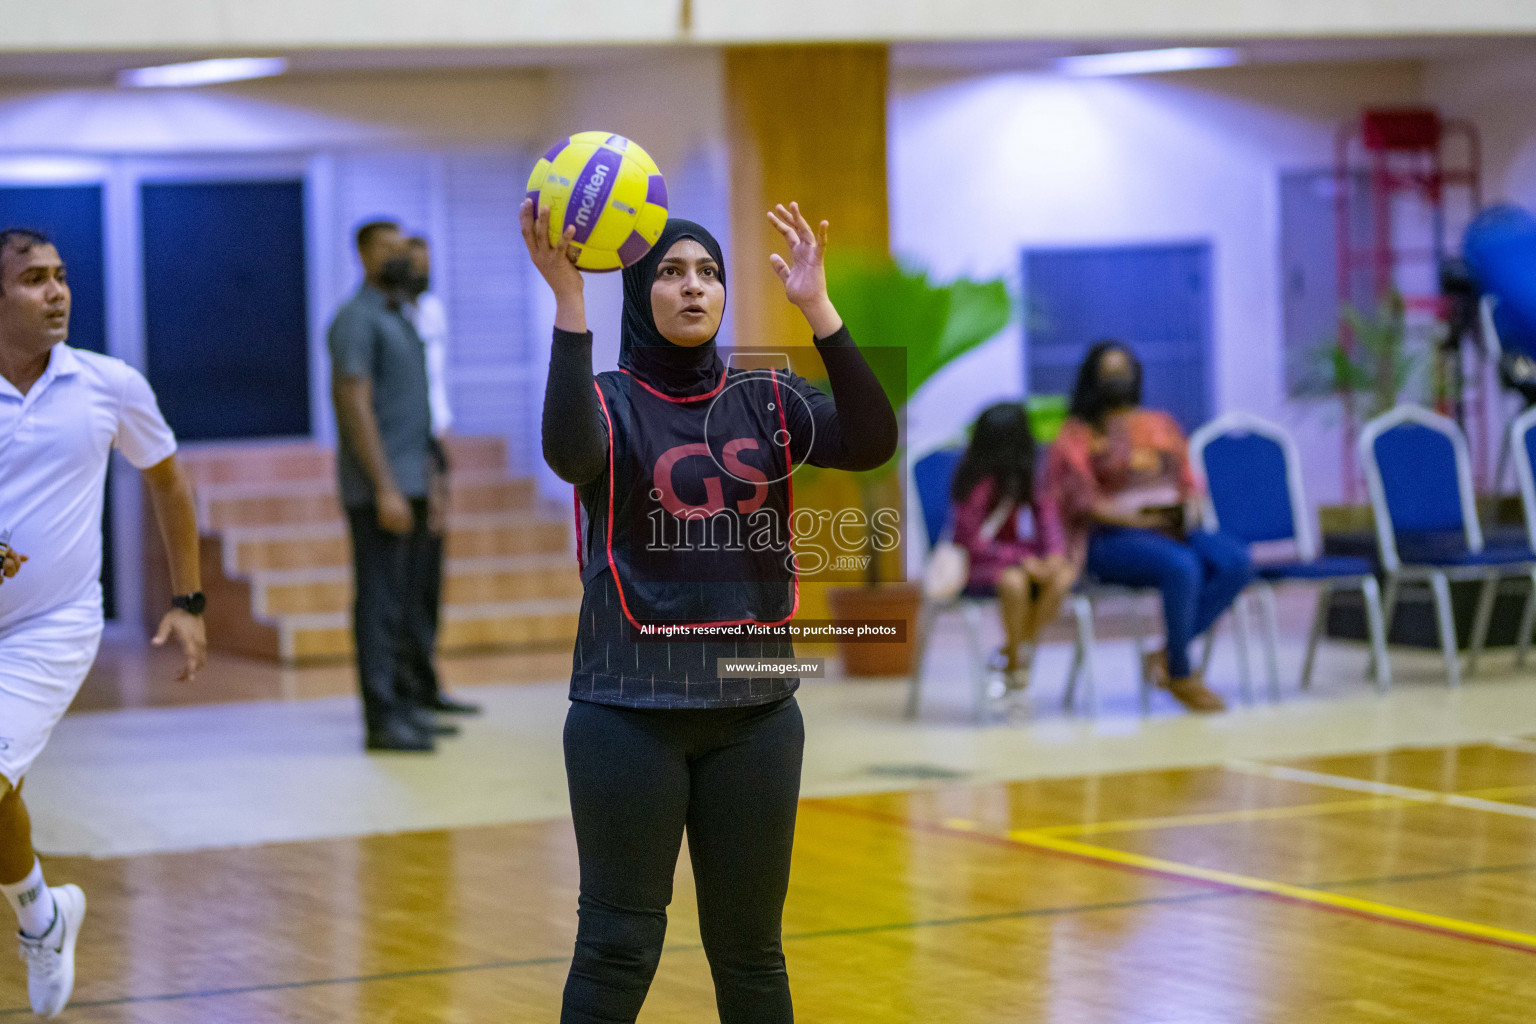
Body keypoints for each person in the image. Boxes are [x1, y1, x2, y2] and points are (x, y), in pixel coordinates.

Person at [525, 197, 898, 1024]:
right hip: (629, 710)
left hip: (757, 713)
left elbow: (872, 441)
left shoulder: (768, 396)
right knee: (618, 947)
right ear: (639, 293)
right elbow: (568, 453)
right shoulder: (607, 399)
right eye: (669, 272)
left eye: (709, 273)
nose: (694, 288)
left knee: (752, 957)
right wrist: (569, 303)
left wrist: (818, 308)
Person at [0, 228, 206, 1017]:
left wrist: (188, 603)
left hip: (50, 625)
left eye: (59, 277)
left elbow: (170, 484)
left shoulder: (108, 384)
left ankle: (40, 918)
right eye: (31, 280)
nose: (55, 292)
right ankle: (43, 916)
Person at [327, 220, 473, 755]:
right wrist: (386, 486)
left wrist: (428, 484)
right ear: (363, 255)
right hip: (379, 489)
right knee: (381, 604)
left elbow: (418, 414)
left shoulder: (401, 316)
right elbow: (354, 403)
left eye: (402, 250)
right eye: (387, 251)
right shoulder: (356, 320)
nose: (400, 259)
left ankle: (408, 705)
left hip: (412, 480)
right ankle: (382, 718)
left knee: (409, 601)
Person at [1046, 340, 1251, 713]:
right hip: (1108, 540)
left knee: (1234, 559)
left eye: (1123, 370)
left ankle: (1163, 653)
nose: (1117, 379)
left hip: (1170, 528)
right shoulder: (1077, 435)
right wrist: (1136, 518)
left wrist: (1183, 506)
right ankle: (1180, 672)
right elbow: (1080, 501)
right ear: (1092, 379)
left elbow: (1190, 482)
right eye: (1108, 372)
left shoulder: (1160, 425)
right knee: (1182, 567)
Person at [401, 235, 479, 719]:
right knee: (402, 583)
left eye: (428, 261)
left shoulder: (431, 311)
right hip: (404, 450)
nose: (423, 269)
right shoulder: (390, 319)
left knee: (429, 578)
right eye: (414, 261)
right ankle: (401, 690)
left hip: (432, 444)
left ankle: (426, 682)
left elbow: (436, 381)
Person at [950, 401, 1077, 693]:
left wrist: (1055, 557)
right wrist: (1024, 561)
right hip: (983, 566)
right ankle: (1019, 662)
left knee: (1063, 577)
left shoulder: (1029, 479)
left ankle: (1013, 653)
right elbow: (973, 543)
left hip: (1026, 560)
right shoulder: (975, 484)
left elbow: (1049, 523)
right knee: (1014, 583)